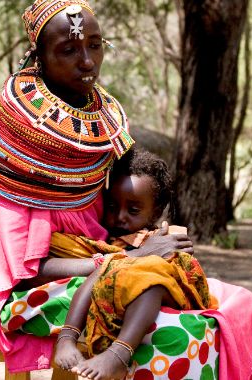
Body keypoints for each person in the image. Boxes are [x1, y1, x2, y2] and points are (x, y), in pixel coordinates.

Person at [0, 0, 252, 378]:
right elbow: (24, 271)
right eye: (69, 49)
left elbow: (132, 202)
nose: (88, 60)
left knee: (241, 305)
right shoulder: (18, 144)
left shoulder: (104, 127)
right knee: (181, 337)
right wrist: (121, 261)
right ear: (38, 57)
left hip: (106, 270)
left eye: (95, 44)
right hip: (30, 293)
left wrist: (150, 240)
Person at [51, 148, 214, 379]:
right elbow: (103, 267)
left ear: (156, 211)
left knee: (149, 278)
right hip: (118, 276)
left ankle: (118, 354)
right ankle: (67, 338)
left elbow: (182, 269)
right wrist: (123, 259)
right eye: (112, 207)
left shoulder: (164, 237)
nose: (120, 217)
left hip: (164, 290)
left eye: (133, 210)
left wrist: (143, 257)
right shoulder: (108, 241)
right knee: (107, 267)